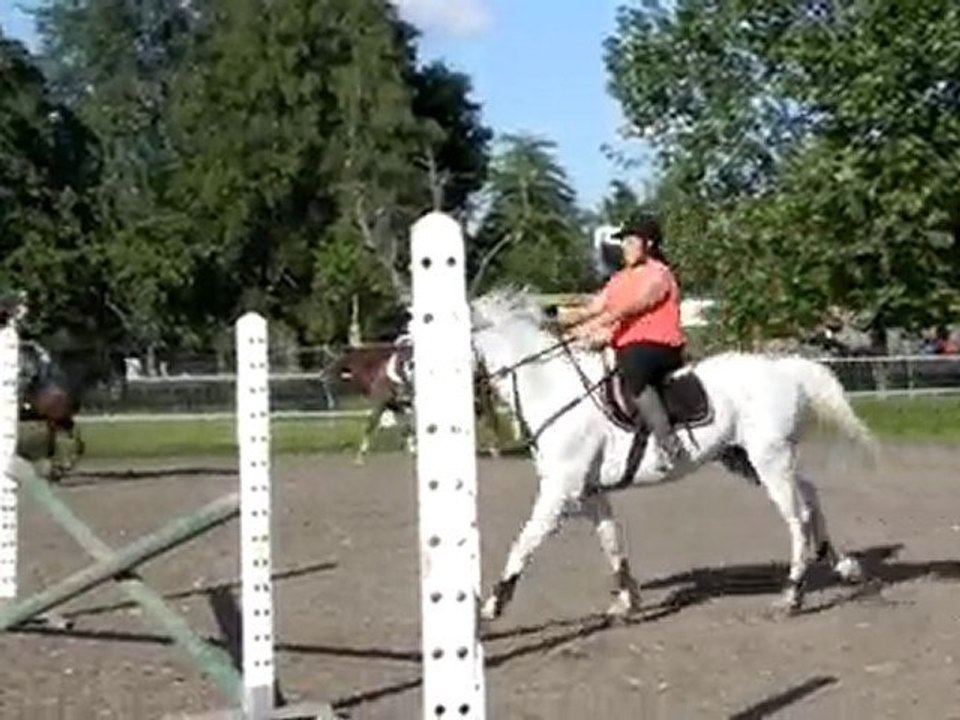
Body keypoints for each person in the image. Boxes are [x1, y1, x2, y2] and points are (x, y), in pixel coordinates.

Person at [559, 213, 687, 470]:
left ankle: (668, 442)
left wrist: (593, 325)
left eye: (630, 241)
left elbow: (635, 305)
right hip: (625, 343)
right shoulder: (618, 279)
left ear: (648, 244)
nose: (625, 247)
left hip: (659, 345)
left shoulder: (659, 274)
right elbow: (596, 306)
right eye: (624, 242)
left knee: (634, 369)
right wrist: (565, 326)